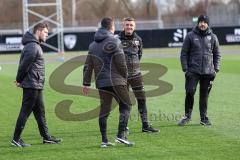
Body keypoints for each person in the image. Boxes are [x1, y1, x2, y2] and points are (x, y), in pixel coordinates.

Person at [82, 17, 134, 148]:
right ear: (111, 27)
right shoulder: (115, 41)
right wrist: (126, 76)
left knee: (104, 111)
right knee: (126, 106)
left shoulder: (92, 45)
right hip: (116, 81)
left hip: (101, 83)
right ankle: (120, 136)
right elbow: (121, 62)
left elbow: (88, 66)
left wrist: (86, 83)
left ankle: (104, 140)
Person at [11, 23, 62, 147]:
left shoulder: (34, 45)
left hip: (36, 84)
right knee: (25, 112)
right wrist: (19, 80)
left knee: (40, 112)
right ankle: (16, 139)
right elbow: (24, 66)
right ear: (38, 31)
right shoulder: (33, 46)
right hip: (32, 84)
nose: (47, 35)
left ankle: (46, 137)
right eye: (45, 32)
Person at [178, 15, 221, 126]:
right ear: (198, 23)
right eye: (200, 22)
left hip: (208, 72)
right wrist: (185, 69)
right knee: (190, 92)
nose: (202, 24)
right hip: (193, 71)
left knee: (204, 95)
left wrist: (216, 69)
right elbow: (183, 54)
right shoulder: (190, 36)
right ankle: (187, 116)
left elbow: (217, 54)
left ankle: (203, 118)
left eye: (204, 22)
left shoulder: (213, 37)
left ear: (208, 24)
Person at [118, 17, 159, 132]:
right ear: (123, 26)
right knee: (124, 103)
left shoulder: (138, 39)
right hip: (122, 77)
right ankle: (124, 127)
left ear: (134, 26)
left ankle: (145, 125)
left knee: (142, 100)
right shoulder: (117, 39)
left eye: (131, 25)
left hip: (136, 75)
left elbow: (139, 55)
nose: (129, 27)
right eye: (127, 25)